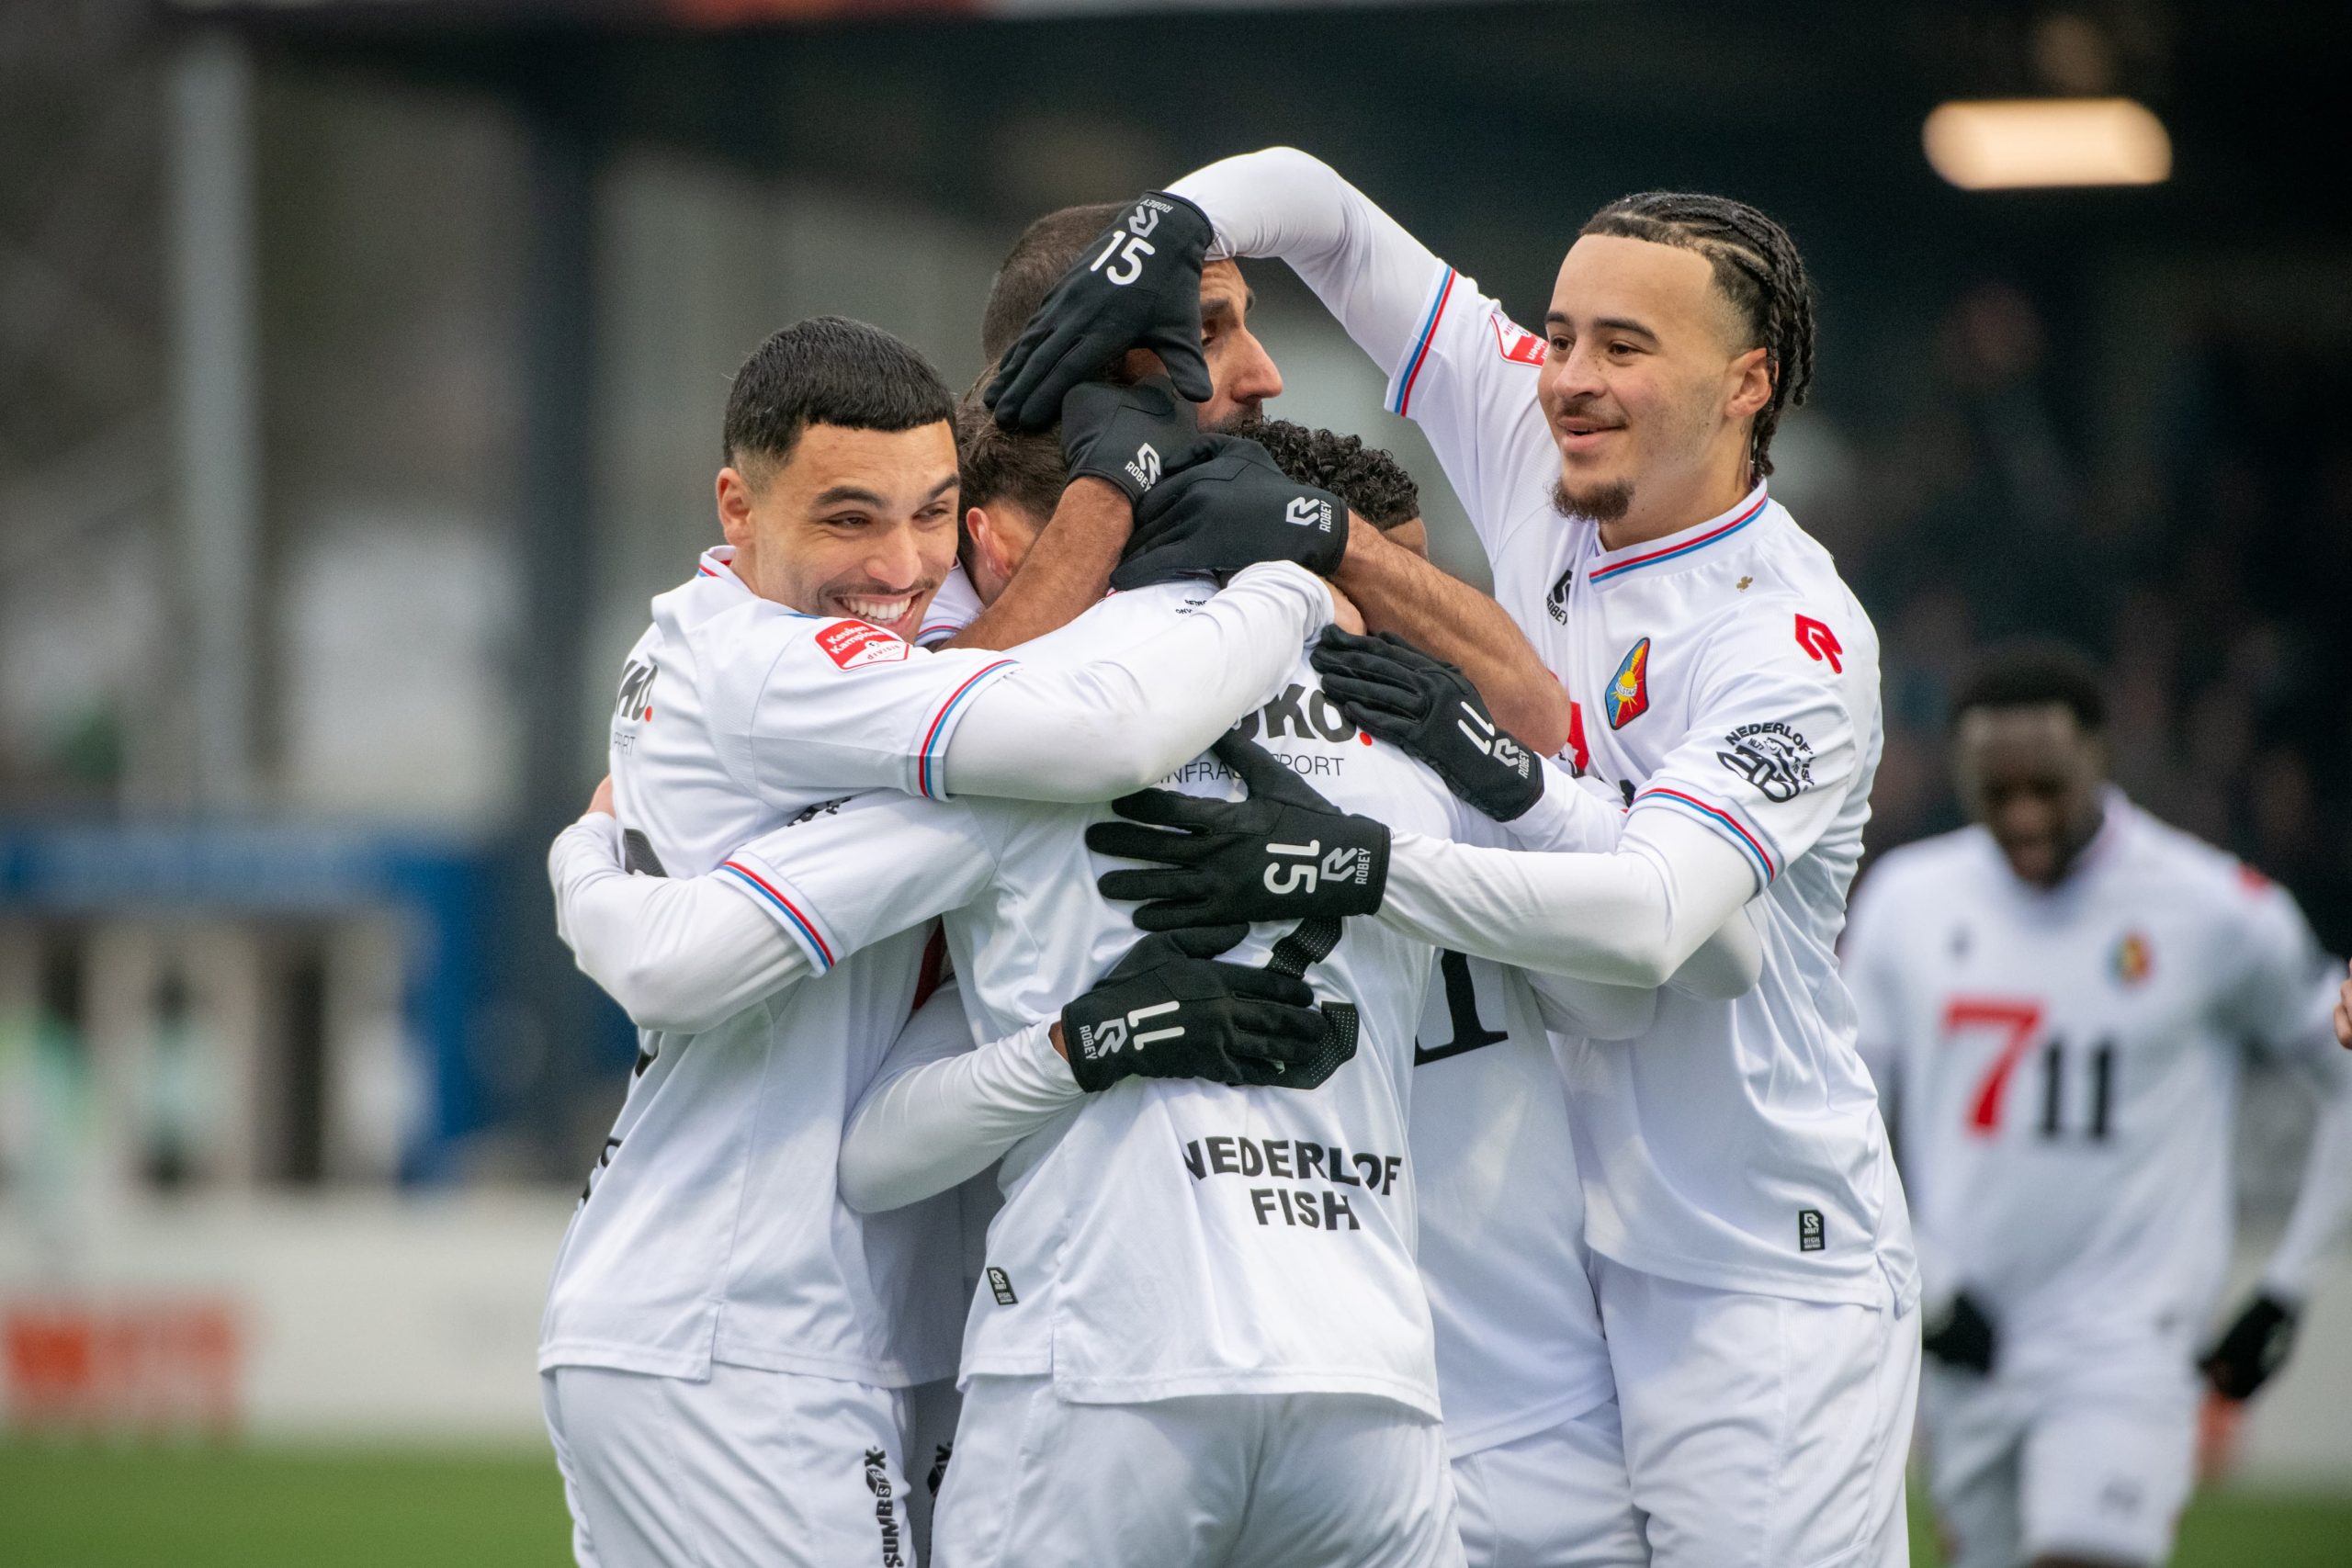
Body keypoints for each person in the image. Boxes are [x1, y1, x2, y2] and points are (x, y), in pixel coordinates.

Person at [552, 420, 1757, 1565]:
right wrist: (1479, 790)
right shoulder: (1412, 743)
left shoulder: (1033, 734)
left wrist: (592, 852)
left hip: (1099, 1379)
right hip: (1374, 1394)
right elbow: (1672, 970)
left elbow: (843, 1120)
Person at [997, 147, 1920, 1566]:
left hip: (1749, 1257)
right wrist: (1168, 230)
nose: (1570, 378)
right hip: (1562, 1259)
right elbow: (1320, 211)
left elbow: (1664, 924)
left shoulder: (1787, 637)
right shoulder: (1552, 446)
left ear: (1748, 383)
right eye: (1559, 335)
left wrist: (1362, 858)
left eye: (1626, 346)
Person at [537, 316, 1343, 1568]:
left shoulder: (782, 646)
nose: (901, 563)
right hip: (740, 1324)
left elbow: (999, 656)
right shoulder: (772, 663)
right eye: (849, 518)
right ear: (737, 508)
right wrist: (1288, 585)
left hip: (763, 1319)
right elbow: (1094, 738)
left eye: (931, 513)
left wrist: (584, 861)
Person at [1840, 643, 2352, 1568]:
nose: (2024, 815)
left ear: (2101, 760)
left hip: (2129, 1344)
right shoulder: (1905, 903)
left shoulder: (2211, 909)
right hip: (1969, 1342)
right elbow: (1847, 1118)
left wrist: (2286, 1283)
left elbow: (2340, 1067)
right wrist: (1924, 1279)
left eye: (2047, 788)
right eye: (1997, 793)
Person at [977, 196, 1576, 754]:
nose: (1266, 376)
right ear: (1066, 359)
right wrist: (1105, 502)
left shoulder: (1275, 503)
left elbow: (1538, 720)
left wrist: (1340, 536)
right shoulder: (952, 529)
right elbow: (943, 714)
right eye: (1205, 335)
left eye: (1245, 324)